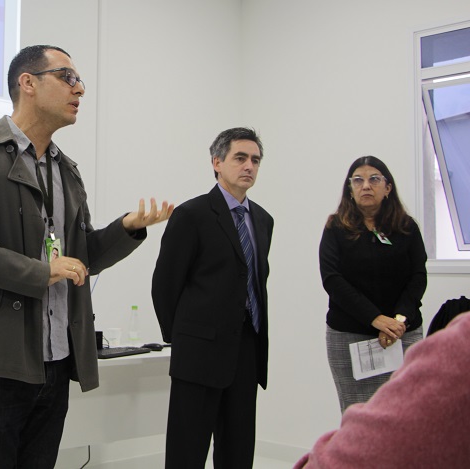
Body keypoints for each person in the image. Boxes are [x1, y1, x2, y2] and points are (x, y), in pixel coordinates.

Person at [0, 44, 173, 468]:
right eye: (67, 77)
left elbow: (81, 259)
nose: (79, 89)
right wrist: (40, 272)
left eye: (79, 81)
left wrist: (127, 228)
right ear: (27, 83)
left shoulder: (66, 171)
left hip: (55, 359)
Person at [151, 127, 273, 469]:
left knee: (238, 453)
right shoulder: (192, 215)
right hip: (199, 352)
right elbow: (165, 285)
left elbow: (254, 281)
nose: (249, 166)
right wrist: (183, 339)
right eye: (240, 158)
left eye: (255, 160)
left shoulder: (263, 220)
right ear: (217, 163)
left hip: (246, 349)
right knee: (187, 453)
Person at [319, 156, 427, 413]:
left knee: (407, 414)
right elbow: (332, 279)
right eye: (358, 180)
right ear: (350, 189)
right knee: (359, 417)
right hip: (350, 336)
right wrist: (376, 319)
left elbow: (418, 276)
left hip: (402, 333)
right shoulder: (335, 227)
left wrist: (398, 321)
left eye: (374, 179)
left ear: (387, 188)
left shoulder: (407, 227)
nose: (366, 185)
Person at [294, 311, 470, 468]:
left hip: (403, 329)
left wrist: (397, 321)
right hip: (351, 328)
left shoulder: (460, 349)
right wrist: (375, 319)